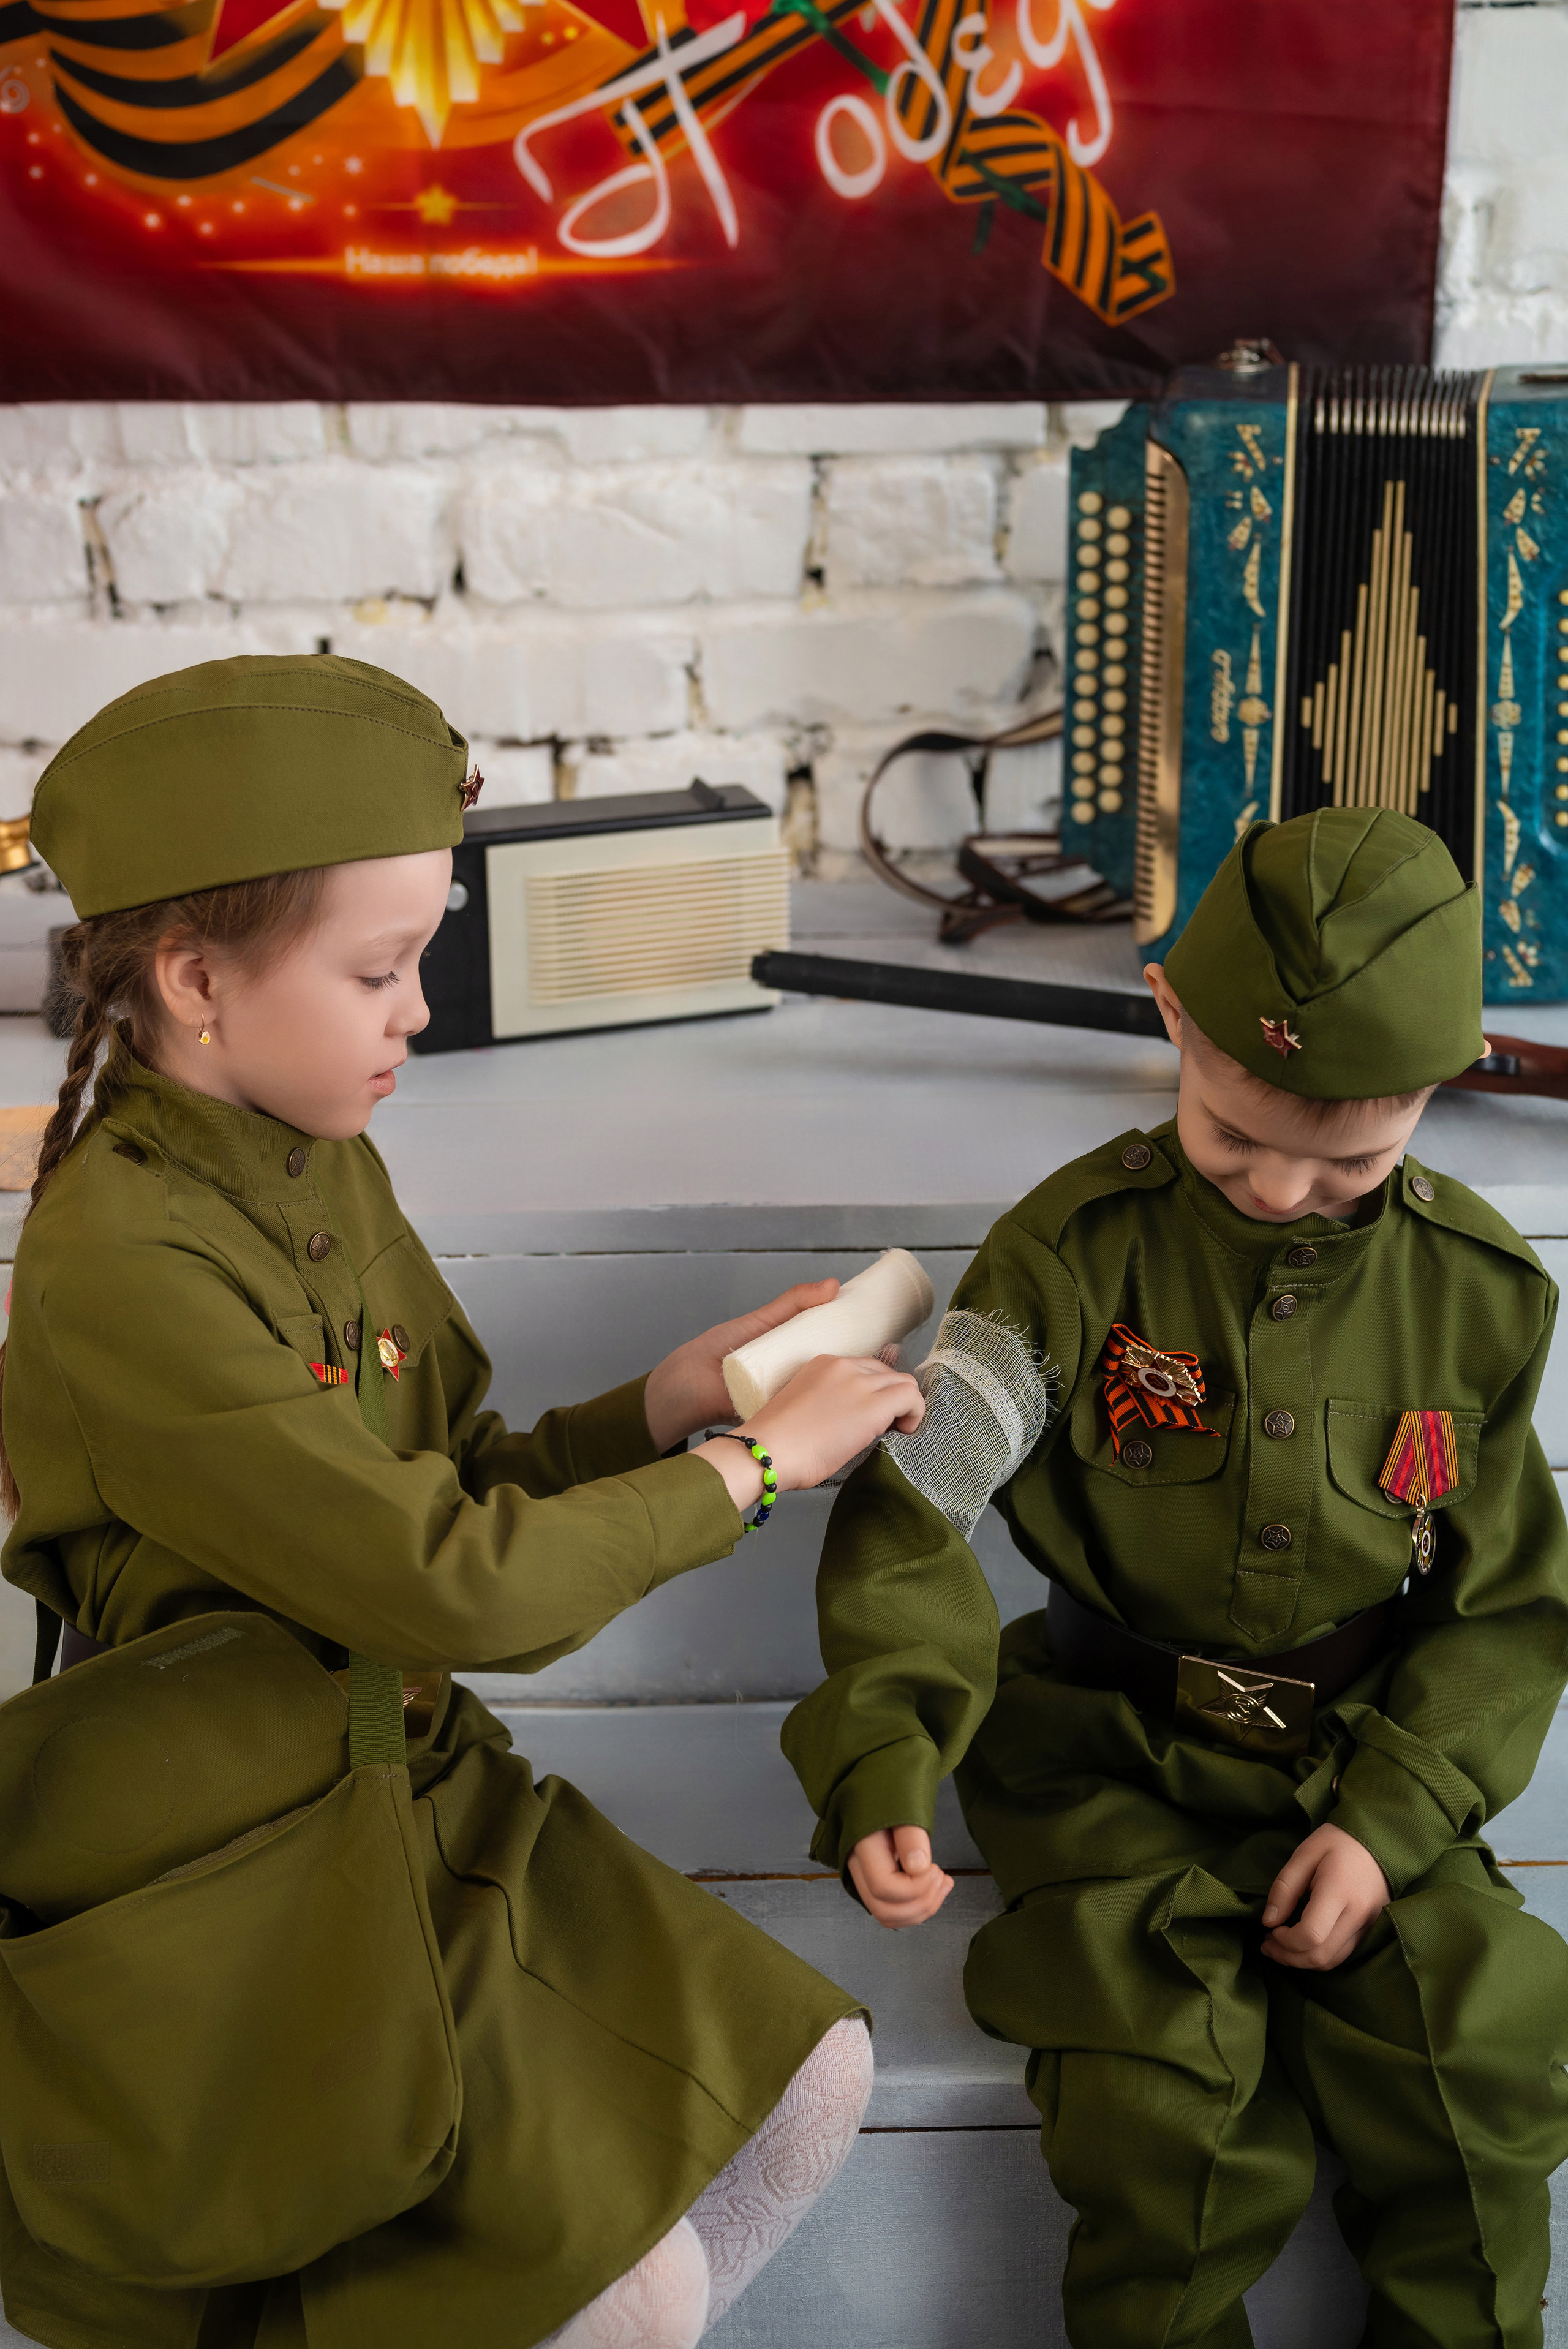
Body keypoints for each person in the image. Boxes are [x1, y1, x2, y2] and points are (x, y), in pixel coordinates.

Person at [0, 652, 926, 2349]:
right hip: (240, 1865)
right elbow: (449, 1580)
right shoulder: (124, 1260)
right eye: (381, 969)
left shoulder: (318, 1145)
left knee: (817, 2078)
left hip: (401, 1781)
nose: (420, 1009)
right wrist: (757, 1469)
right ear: (199, 979)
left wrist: (671, 1403)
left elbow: (444, 1480)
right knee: (626, 2294)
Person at [783, 807, 1568, 2347]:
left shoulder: (1471, 1294)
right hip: (1106, 1758)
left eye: (1348, 1157)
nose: (1278, 1189)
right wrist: (884, 1744)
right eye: (1231, 1133)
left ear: (1437, 1086)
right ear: (1171, 1017)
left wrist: (1385, 1823)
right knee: (1176, 2114)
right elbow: (917, 1505)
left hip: (1366, 1757)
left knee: (1476, 2065)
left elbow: (1501, 1605)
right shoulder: (1070, 1255)